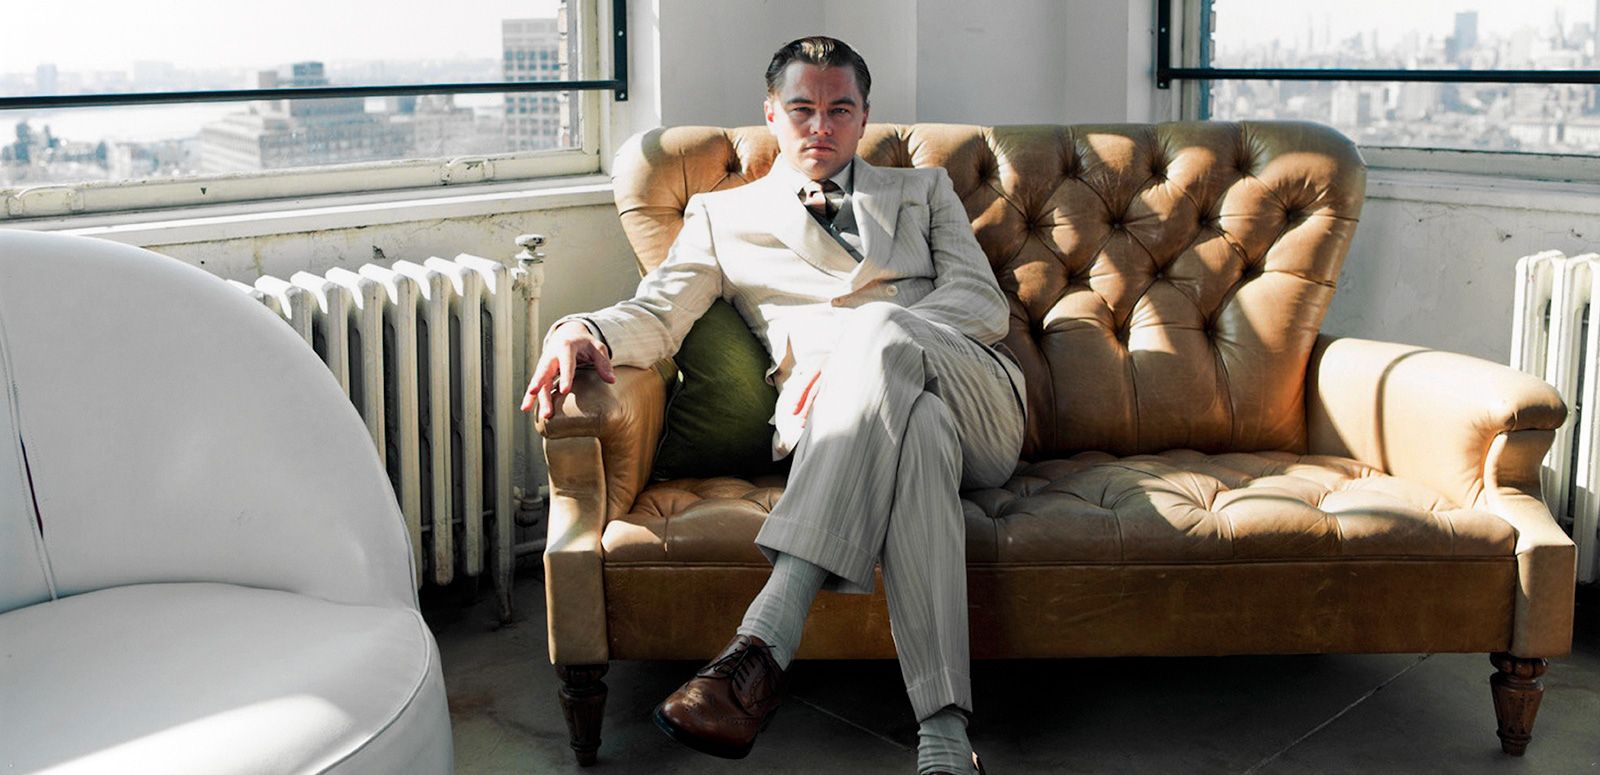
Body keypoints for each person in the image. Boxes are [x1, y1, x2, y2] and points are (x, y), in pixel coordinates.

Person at [522, 35, 1025, 775]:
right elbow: (659, 313)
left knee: (880, 329)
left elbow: (981, 304)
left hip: (976, 400)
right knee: (915, 431)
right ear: (771, 114)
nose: (820, 126)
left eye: (840, 109)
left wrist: (860, 345)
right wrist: (582, 328)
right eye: (801, 109)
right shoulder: (720, 216)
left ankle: (763, 639)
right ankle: (945, 741)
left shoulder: (924, 191)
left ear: (864, 117)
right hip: (853, 428)